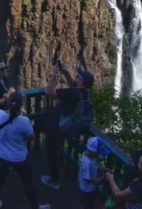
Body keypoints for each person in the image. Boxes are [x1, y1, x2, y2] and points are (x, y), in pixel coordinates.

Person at [0, 92, 50, 209]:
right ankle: (36, 207)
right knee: (28, 183)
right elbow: (31, 138)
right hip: (18, 157)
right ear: (20, 105)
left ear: (7, 101)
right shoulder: (24, 121)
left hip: (0, 154)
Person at [42, 62, 95, 190]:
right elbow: (74, 87)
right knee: (55, 150)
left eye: (78, 77)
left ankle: (54, 180)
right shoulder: (85, 93)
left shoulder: (71, 93)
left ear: (82, 83)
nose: (76, 77)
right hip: (68, 127)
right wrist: (66, 73)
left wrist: (54, 73)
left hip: (57, 128)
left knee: (52, 152)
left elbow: (49, 91)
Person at [78, 137, 110, 209]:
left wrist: (104, 169)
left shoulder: (90, 155)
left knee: (87, 203)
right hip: (86, 190)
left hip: (90, 189)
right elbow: (87, 179)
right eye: (98, 152)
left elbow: (95, 165)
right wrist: (99, 179)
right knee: (87, 205)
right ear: (93, 151)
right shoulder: (86, 163)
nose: (99, 154)